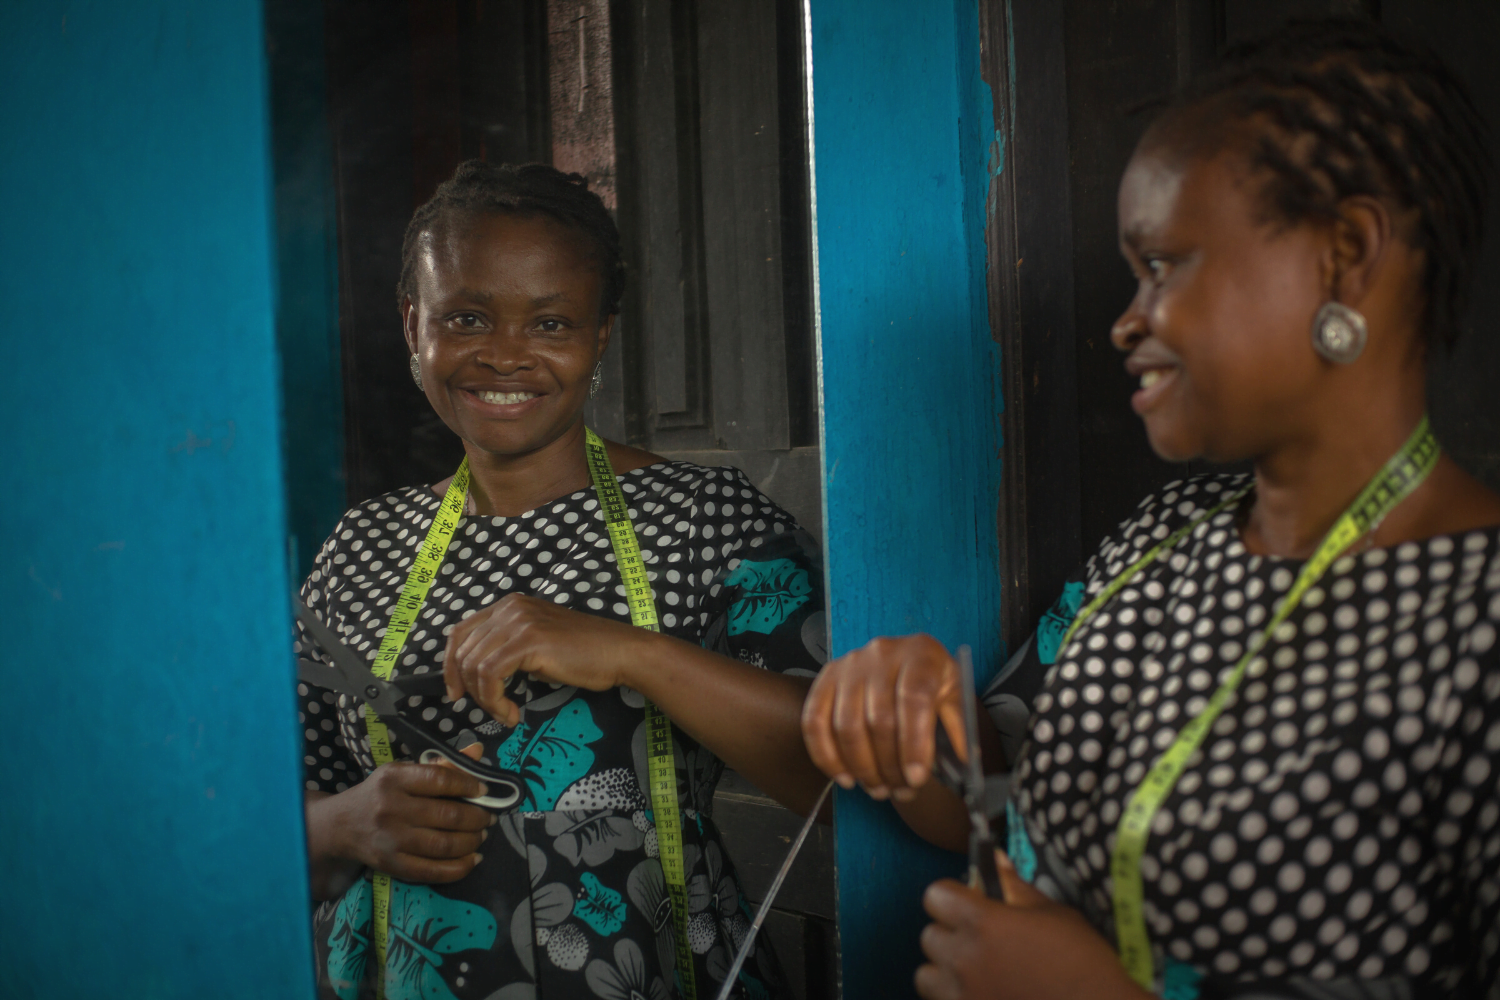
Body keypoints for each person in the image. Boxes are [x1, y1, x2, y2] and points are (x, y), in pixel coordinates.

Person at [802, 19, 1500, 1000]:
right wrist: (919, 722)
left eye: (1164, 266)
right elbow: (997, 802)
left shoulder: (1477, 616)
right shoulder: (1160, 540)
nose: (1127, 319)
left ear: (1345, 256)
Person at [296, 160, 829, 1000]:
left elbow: (845, 779)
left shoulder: (704, 520)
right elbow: (276, 786)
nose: (506, 355)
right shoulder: (360, 545)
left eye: (551, 324)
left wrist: (635, 654)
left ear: (601, 334)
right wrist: (338, 823)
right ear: (412, 324)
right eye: (466, 317)